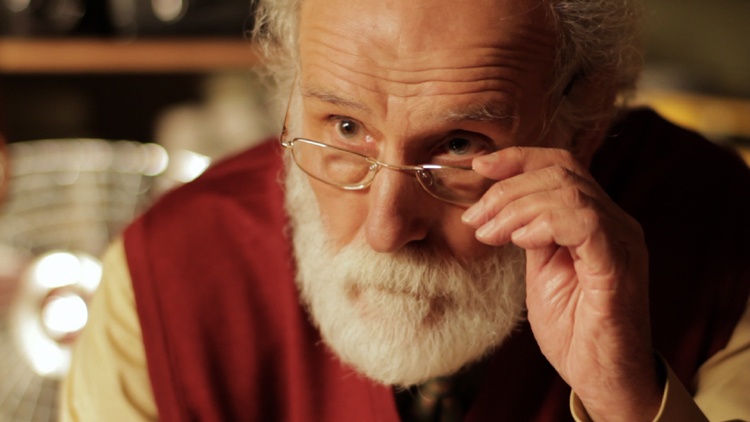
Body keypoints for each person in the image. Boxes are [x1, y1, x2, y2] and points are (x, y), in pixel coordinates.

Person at [61, 0, 750, 420]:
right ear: (288, 93)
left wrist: (627, 398)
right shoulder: (163, 276)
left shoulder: (724, 230)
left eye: (460, 145)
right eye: (346, 129)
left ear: (585, 121)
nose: (387, 229)